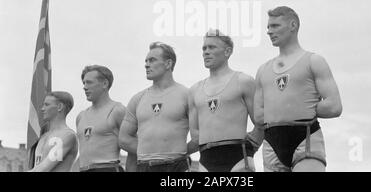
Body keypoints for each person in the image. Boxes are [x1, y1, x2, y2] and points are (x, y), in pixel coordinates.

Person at [254, 6, 343, 172]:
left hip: (306, 137)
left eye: (275, 26)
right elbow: (259, 117)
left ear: (293, 26)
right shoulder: (263, 70)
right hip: (272, 143)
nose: (269, 31)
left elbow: (334, 106)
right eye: (268, 27)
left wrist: (301, 107)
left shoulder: (314, 61)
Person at [188, 29, 263, 172]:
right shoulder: (194, 91)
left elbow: (261, 123)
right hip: (206, 161)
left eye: (212, 47)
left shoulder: (244, 81)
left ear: (227, 52)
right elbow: (196, 135)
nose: (206, 52)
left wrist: (251, 149)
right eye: (204, 48)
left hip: (238, 159)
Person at [119, 42, 193, 172]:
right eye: (146, 61)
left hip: (176, 166)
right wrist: (151, 152)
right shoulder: (137, 99)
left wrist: (178, 152)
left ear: (168, 64)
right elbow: (123, 138)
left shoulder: (187, 95)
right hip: (144, 166)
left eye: (152, 60)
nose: (146, 64)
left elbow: (201, 135)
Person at [76, 65, 127, 172]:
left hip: (107, 168)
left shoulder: (118, 110)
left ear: (104, 84)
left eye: (89, 82)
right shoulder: (81, 116)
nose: (84, 87)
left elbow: (133, 143)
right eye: (84, 83)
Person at [28, 91, 78, 172]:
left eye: (47, 105)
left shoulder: (67, 135)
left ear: (59, 107)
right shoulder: (43, 137)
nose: (42, 108)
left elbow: (44, 168)